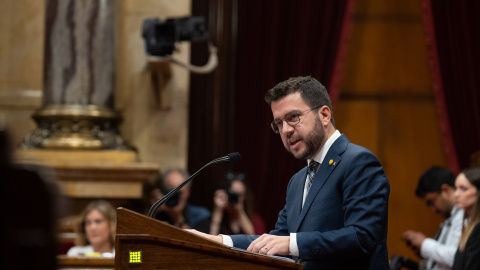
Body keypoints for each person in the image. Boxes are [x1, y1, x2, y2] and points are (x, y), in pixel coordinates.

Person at [189, 76, 390, 270]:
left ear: (325, 115)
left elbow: (362, 237)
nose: (285, 130)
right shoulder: (298, 180)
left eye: (293, 118)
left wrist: (291, 244)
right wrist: (219, 240)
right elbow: (276, 240)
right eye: (278, 123)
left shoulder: (357, 162)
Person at [399, 166, 464, 270]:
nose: (433, 210)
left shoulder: (465, 215)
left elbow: (458, 258)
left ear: (446, 190)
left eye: (431, 202)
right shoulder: (450, 219)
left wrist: (424, 243)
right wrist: (423, 251)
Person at [151, 168, 211, 233]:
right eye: (170, 191)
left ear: (188, 192)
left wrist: (177, 217)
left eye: (179, 192)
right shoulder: (158, 215)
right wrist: (153, 210)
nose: (174, 196)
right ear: (163, 191)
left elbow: (195, 241)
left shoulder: (200, 215)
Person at [452, 167, 480, 270]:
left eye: (463, 189)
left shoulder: (478, 229)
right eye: (456, 188)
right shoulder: (468, 225)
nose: (456, 195)